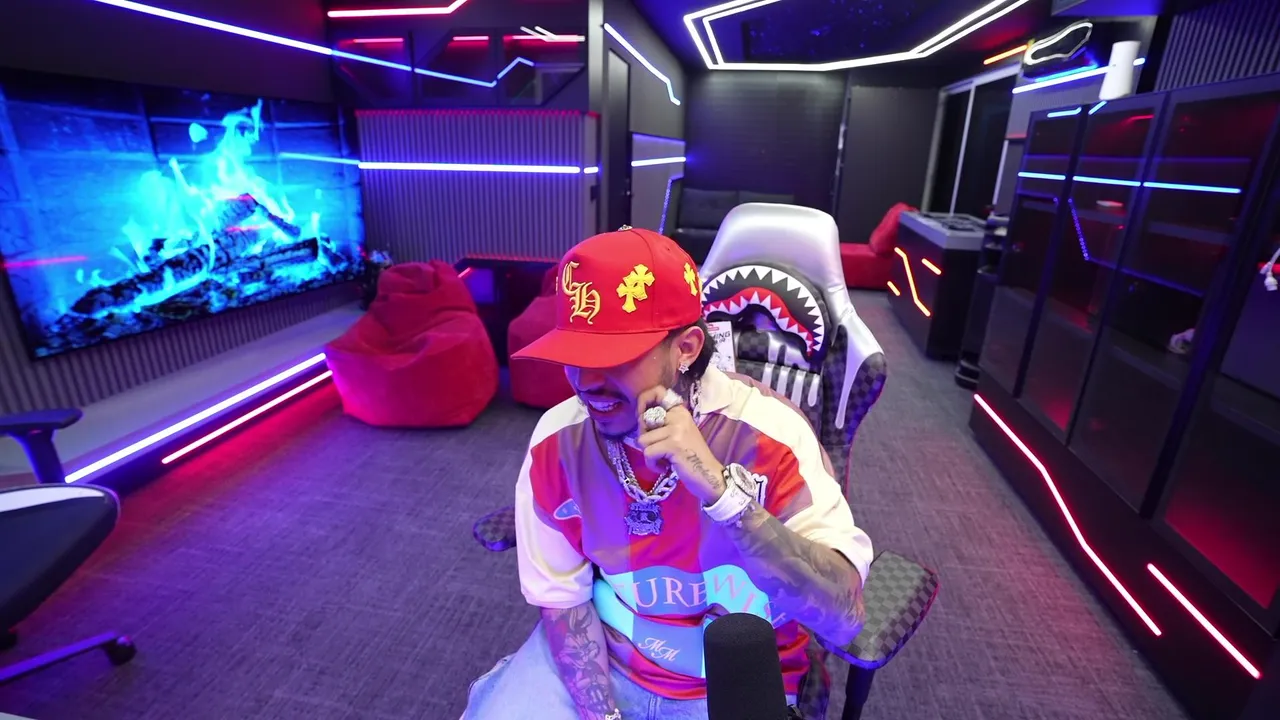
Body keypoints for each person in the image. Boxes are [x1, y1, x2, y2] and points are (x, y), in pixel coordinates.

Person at [464, 227, 873, 720]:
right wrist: (603, 716)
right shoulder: (559, 440)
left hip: (731, 678)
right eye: (574, 355)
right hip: (604, 659)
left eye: (612, 357)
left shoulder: (773, 434)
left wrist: (723, 494)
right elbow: (564, 606)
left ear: (687, 347)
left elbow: (843, 617)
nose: (585, 381)